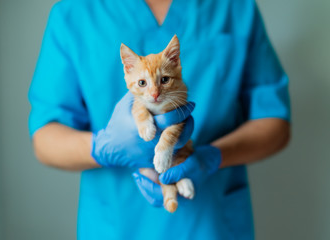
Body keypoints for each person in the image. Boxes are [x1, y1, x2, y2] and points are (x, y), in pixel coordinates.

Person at [28, 0, 291, 239]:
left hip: (211, 223)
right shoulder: (74, 14)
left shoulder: (235, 8)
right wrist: (104, 146)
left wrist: (211, 158)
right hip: (117, 225)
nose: (154, 91)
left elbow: (275, 122)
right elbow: (45, 137)